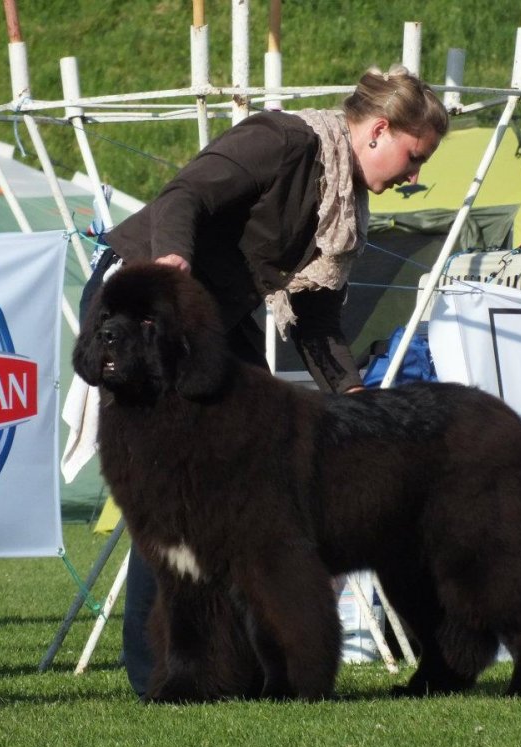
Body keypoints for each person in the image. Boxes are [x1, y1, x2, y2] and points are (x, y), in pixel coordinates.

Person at [81, 64, 449, 697]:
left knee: (242, 495)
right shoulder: (281, 140)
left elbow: (315, 314)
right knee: (172, 490)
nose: (414, 176)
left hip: (214, 320)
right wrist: (172, 261)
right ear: (380, 130)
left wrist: (352, 395)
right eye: (414, 158)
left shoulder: (342, 207)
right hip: (144, 307)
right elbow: (181, 198)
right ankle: (162, 674)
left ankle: (242, 668)